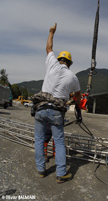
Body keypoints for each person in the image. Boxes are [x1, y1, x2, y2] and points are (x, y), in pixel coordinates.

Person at [34, 23, 81, 183]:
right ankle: (61, 174)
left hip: (40, 108)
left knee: (40, 139)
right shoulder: (73, 78)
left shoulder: (52, 64)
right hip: (56, 111)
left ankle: (41, 170)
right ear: (70, 63)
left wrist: (51, 32)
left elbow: (48, 48)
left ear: (60, 60)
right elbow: (78, 96)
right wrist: (79, 109)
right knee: (59, 142)